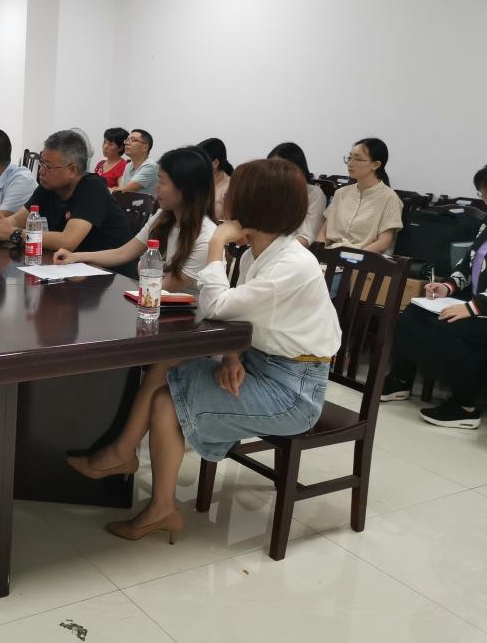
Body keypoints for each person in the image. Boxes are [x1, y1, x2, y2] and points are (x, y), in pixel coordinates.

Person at [67, 159, 340, 544]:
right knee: (165, 375)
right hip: (259, 363)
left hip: (293, 390)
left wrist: (215, 246)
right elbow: (239, 318)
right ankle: (143, 483)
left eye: (232, 195)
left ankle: (149, 491)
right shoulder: (257, 254)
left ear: (253, 204)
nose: (224, 201)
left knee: (166, 399)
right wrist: (233, 355)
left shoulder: (291, 264)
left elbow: (216, 307)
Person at [379, 165, 487, 427]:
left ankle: (466, 405)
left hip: (481, 309)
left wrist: (473, 308)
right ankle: (400, 380)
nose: (484, 199)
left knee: (449, 328)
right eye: (482, 193)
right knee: (412, 314)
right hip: (475, 304)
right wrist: (447, 287)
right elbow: (468, 263)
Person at [55, 146, 217, 291]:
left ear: (185, 189)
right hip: (152, 301)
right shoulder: (163, 217)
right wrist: (76, 256)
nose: (156, 188)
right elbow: (123, 253)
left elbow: (165, 288)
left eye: (162, 182)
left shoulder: (206, 236)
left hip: (180, 311)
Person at [0, 130, 133, 273]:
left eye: (48, 166)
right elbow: (15, 221)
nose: (41, 171)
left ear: (72, 170)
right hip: (70, 268)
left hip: (111, 275)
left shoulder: (92, 188)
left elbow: (67, 241)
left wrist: (14, 233)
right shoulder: (48, 187)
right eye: (41, 163)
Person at [317, 138, 403, 253]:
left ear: (375, 165)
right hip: (332, 254)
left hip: (366, 258)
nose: (350, 164)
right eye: (349, 158)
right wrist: (320, 252)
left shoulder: (389, 198)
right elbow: (323, 233)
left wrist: (354, 257)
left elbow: (384, 242)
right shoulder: (340, 193)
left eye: (357, 159)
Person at [268, 142, 326, 246]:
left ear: (298, 168)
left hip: (294, 250)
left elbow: (306, 238)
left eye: (281, 167)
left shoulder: (313, 194)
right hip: (264, 247)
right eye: (271, 167)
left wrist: (274, 249)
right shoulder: (266, 191)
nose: (274, 172)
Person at [198, 138, 234, 220]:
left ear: (215, 163)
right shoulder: (199, 184)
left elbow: (231, 223)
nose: (195, 166)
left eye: (199, 162)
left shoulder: (231, 188)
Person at [115, 129, 158, 196]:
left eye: (134, 140)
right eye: (127, 140)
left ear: (145, 147)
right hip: (129, 202)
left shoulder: (150, 166)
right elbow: (121, 191)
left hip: (145, 203)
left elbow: (123, 190)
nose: (127, 143)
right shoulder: (128, 165)